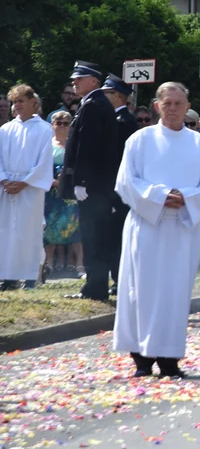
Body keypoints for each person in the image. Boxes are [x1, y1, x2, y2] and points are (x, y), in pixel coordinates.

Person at [112, 82, 200, 378]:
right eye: (167, 103)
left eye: (178, 103)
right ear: (157, 106)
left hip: (182, 229)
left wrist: (184, 197)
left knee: (174, 291)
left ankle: (169, 357)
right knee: (141, 290)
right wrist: (160, 197)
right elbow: (126, 182)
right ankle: (142, 357)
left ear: (187, 107)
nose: (172, 108)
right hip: (146, 225)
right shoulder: (140, 140)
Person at [61, 61, 119, 301]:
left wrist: (82, 180)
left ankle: (95, 288)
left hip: (93, 186)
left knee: (94, 236)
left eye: (79, 78)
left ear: (94, 81)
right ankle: (95, 286)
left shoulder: (94, 105)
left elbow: (89, 145)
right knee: (94, 236)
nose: (74, 82)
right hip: (97, 185)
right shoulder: (94, 103)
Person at [0, 86, 53, 288]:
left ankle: (31, 276)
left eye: (21, 101)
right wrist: (4, 179)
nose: (17, 106)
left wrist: (25, 182)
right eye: (15, 102)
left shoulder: (44, 129)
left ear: (33, 103)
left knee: (28, 231)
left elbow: (44, 161)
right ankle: (9, 276)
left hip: (29, 188)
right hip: (7, 188)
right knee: (6, 232)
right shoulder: (5, 130)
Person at [103, 75, 137, 290]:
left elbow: (117, 162)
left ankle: (119, 280)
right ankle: (117, 278)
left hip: (118, 192)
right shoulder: (116, 120)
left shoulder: (123, 122)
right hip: (114, 190)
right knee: (112, 237)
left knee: (117, 237)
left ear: (116, 96)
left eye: (106, 93)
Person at [43, 111, 82, 277]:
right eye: (58, 123)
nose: (62, 126)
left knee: (75, 227)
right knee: (51, 227)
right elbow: (42, 168)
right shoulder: (47, 145)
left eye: (66, 123)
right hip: (52, 191)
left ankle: (80, 264)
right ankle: (49, 262)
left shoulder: (75, 144)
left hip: (71, 191)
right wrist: (54, 182)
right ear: (52, 125)